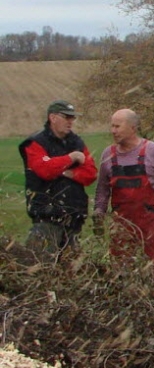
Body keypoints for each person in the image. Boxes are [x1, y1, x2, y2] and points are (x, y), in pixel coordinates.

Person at [93, 109, 154, 281]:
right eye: (112, 126)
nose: (113, 131)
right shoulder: (108, 155)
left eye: (117, 126)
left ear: (132, 127)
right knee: (120, 268)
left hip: (150, 224)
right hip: (121, 225)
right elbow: (102, 188)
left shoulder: (152, 151)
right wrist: (99, 211)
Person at [18, 100, 98, 259]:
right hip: (47, 217)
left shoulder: (76, 141)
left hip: (74, 218)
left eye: (72, 118)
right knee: (41, 266)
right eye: (66, 117)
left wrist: (67, 173)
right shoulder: (35, 142)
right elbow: (44, 170)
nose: (71, 121)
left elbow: (91, 174)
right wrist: (71, 158)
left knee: (70, 271)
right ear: (52, 117)